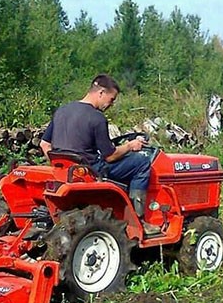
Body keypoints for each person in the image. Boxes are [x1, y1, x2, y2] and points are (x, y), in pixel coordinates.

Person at [40, 74, 152, 218]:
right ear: (101, 93)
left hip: (66, 171)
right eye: (111, 99)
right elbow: (110, 156)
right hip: (91, 170)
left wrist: (57, 164)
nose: (111, 104)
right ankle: (139, 217)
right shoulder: (96, 117)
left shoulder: (62, 111)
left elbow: (44, 144)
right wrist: (130, 145)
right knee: (141, 163)